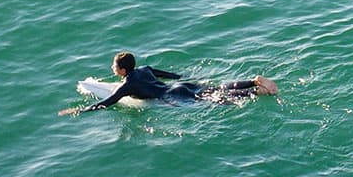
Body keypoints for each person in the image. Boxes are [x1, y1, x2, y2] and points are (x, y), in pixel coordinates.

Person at [60, 52, 278, 114]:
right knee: (215, 89)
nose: (112, 68)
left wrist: (81, 110)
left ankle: (256, 92)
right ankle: (252, 81)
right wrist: (184, 77)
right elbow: (169, 75)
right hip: (179, 87)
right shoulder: (145, 69)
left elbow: (108, 102)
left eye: (114, 66)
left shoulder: (127, 85)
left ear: (123, 71)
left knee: (215, 100)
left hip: (172, 96)